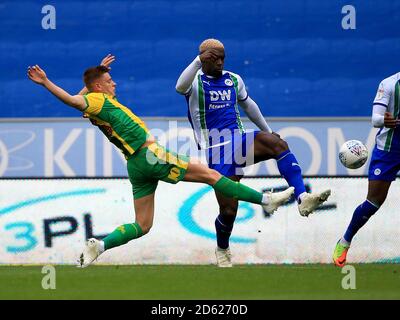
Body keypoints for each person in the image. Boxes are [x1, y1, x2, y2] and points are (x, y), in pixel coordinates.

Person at [27, 57, 295, 268]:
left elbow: (82, 98)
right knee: (213, 176)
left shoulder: (98, 103)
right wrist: (47, 82)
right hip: (150, 154)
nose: (114, 84)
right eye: (109, 80)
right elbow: (75, 100)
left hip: (135, 165)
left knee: (143, 225)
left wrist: (98, 72)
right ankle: (266, 200)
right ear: (99, 87)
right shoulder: (97, 101)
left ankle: (101, 246)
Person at [176, 39, 331, 267]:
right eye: (214, 58)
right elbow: (180, 87)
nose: (219, 62)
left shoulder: (233, 79)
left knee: (277, 144)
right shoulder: (195, 82)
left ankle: (302, 197)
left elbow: (249, 106)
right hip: (216, 149)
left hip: (239, 141)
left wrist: (269, 132)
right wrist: (198, 61)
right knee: (228, 211)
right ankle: (222, 248)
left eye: (222, 57)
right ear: (204, 58)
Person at [333, 72, 400, 267]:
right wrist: (385, 121)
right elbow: (375, 118)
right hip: (388, 150)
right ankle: (345, 241)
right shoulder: (389, 84)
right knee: (373, 202)